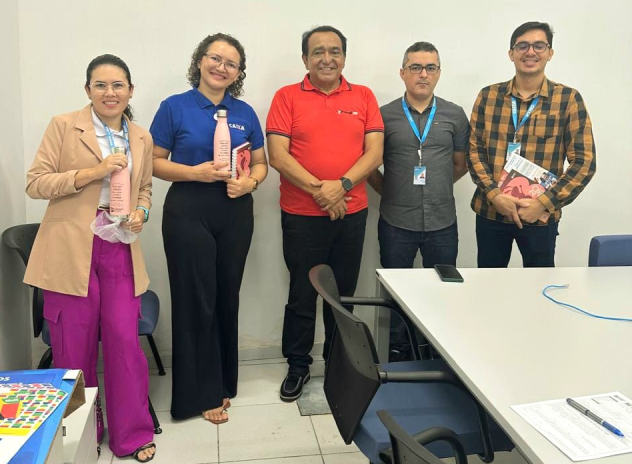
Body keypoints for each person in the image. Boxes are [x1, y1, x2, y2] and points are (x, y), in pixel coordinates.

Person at [25, 54, 156, 462]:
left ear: (130, 91)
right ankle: (79, 436)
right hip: (70, 246)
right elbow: (36, 183)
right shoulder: (64, 126)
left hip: (119, 244)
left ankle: (131, 435)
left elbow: (145, 188)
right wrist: (92, 173)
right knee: (73, 346)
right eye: (100, 85)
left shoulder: (141, 137)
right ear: (88, 90)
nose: (109, 92)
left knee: (124, 342)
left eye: (118, 85)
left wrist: (141, 212)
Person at [150, 33, 267, 424]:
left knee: (226, 297)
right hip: (188, 210)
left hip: (235, 211)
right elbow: (153, 162)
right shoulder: (174, 107)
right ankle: (198, 394)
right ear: (200, 60)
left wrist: (250, 183)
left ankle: (222, 380)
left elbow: (261, 164)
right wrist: (194, 173)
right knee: (195, 299)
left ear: (238, 73)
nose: (221, 67)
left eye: (231, 63)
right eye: (215, 58)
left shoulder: (245, 112)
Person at [266, 25, 384, 401]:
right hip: (302, 216)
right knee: (302, 294)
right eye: (318, 51)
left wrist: (342, 186)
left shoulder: (364, 96)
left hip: (352, 214)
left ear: (344, 58)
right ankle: (298, 365)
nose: (327, 58)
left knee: (343, 295)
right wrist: (323, 191)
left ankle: (338, 365)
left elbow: (375, 153)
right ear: (305, 59)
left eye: (335, 51)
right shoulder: (286, 97)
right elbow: (278, 156)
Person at [368, 42, 469, 361]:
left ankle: (438, 355)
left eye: (430, 68)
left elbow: (460, 164)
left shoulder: (455, 114)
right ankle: (397, 356)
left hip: (442, 222)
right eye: (415, 67)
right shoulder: (383, 115)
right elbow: (369, 165)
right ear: (403, 73)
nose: (423, 74)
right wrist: (393, 193)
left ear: (439, 73)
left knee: (443, 291)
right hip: (396, 222)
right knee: (395, 292)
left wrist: (436, 188)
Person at [468, 21, 596, 268]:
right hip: (492, 212)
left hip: (540, 216)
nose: (530, 52)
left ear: (550, 53)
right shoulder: (488, 96)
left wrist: (543, 203)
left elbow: (584, 162)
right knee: (488, 282)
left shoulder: (568, 99)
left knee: (540, 283)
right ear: (511, 53)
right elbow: (474, 151)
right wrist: (495, 196)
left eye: (539, 46)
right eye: (522, 46)